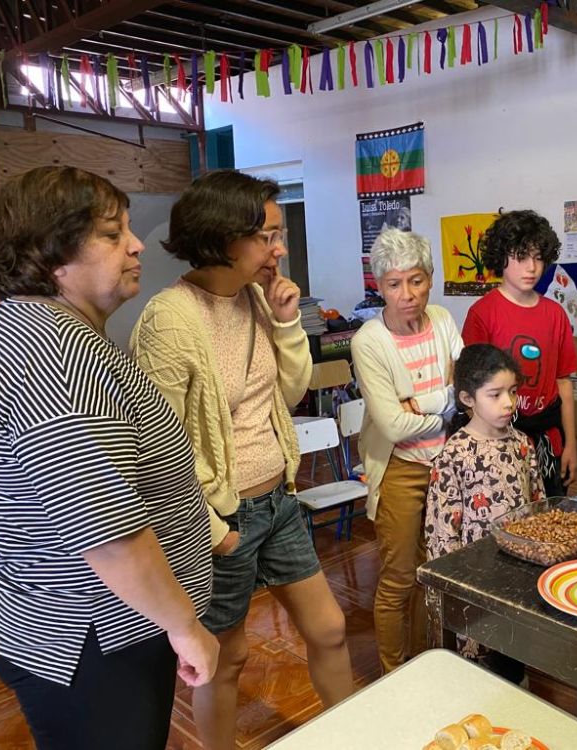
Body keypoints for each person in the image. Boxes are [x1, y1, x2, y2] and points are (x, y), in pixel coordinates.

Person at [0, 166, 217, 749]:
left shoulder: (41, 330)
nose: (136, 245)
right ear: (51, 254)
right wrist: (185, 628)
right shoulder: (58, 350)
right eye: (111, 234)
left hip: (93, 631)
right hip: (90, 640)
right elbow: (105, 527)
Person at [131, 170, 351, 750]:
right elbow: (152, 451)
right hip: (220, 520)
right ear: (225, 237)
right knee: (226, 659)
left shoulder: (258, 297)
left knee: (329, 628)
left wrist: (285, 323)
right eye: (268, 236)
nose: (280, 250)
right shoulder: (169, 320)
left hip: (278, 499)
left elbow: (295, 389)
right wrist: (214, 531)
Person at [350, 227, 463, 674]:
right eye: (395, 284)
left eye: (416, 280)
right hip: (400, 467)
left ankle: (425, 660)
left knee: (436, 569)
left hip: (449, 464)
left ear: (430, 279)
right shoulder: (369, 341)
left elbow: (464, 390)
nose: (407, 294)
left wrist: (426, 403)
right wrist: (445, 407)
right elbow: (394, 425)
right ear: (380, 287)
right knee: (398, 577)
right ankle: (394, 671)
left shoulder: (442, 320)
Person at [425, 344, 543, 678]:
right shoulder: (455, 454)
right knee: (478, 663)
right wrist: (455, 588)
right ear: (467, 399)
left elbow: (537, 505)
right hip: (476, 580)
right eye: (495, 394)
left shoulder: (522, 443)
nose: (509, 402)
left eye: (513, 391)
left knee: (515, 654)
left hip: (519, 574)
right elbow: (441, 533)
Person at [462, 210, 577, 497]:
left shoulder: (555, 314)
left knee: (550, 523)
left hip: (547, 439)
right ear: (501, 257)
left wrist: (572, 444)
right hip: (499, 437)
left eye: (539, 258)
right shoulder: (482, 313)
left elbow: (563, 383)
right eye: (521, 257)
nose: (532, 268)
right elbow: (469, 388)